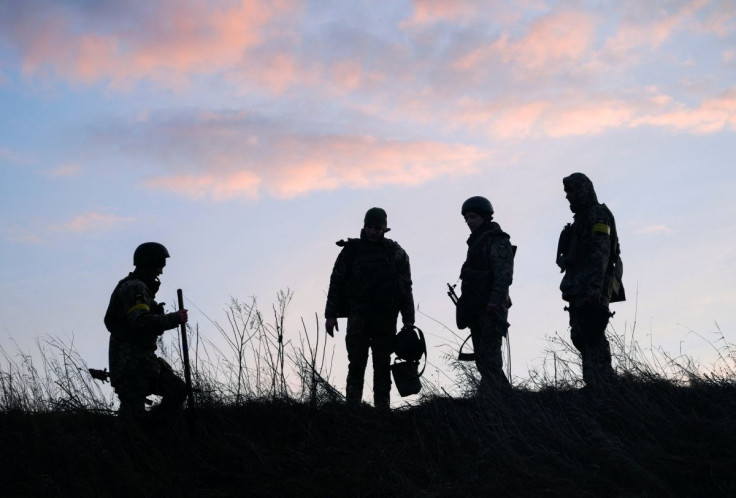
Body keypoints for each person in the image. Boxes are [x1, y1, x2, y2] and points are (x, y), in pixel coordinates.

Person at [324, 208, 415, 410]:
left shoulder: (395, 252)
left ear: (384, 229)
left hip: (386, 317)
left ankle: (382, 412)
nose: (373, 232)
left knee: (382, 367)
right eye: (370, 227)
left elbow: (405, 286)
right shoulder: (351, 251)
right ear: (364, 227)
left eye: (377, 228)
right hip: (358, 317)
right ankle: (353, 409)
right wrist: (330, 315)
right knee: (356, 364)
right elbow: (336, 282)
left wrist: (409, 319)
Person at [104, 242, 189, 417]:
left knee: (178, 389)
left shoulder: (140, 289)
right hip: (130, 363)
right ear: (150, 264)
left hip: (144, 360)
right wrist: (174, 318)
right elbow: (140, 320)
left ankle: (156, 430)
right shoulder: (135, 288)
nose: (161, 271)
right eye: (160, 266)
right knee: (134, 417)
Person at [556, 173, 625, 386]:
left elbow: (601, 252)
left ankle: (604, 385)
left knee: (592, 332)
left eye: (572, 192)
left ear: (584, 191)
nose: (569, 197)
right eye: (567, 193)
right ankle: (594, 384)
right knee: (580, 335)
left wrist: (595, 292)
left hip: (593, 286)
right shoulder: (581, 220)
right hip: (579, 286)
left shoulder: (598, 215)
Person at [455, 196, 514, 393]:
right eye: (466, 219)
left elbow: (503, 275)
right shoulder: (476, 244)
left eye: (472, 217)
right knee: (482, 358)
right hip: (477, 308)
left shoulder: (497, 240)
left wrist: (495, 302)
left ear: (484, 216)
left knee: (491, 358)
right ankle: (495, 395)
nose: (469, 222)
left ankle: (501, 398)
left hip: (491, 307)